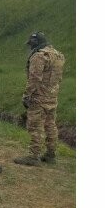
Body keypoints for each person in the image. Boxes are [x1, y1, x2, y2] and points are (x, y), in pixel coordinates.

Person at [14, 32, 65, 166]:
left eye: (31, 44)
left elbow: (34, 79)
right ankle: (50, 154)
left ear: (35, 43)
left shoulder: (39, 56)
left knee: (35, 126)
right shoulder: (58, 55)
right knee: (50, 125)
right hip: (52, 96)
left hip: (38, 97)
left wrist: (27, 95)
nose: (30, 47)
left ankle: (33, 156)